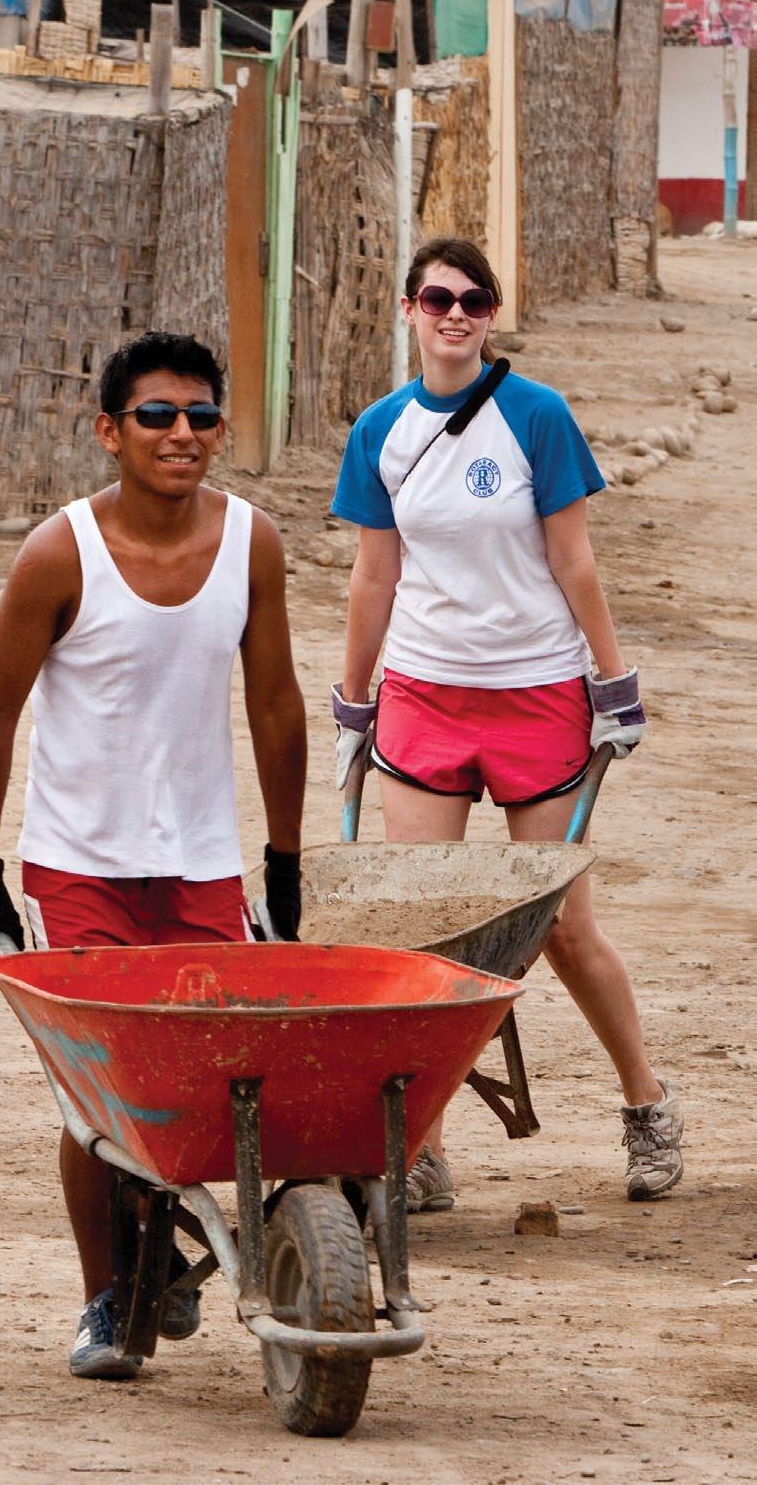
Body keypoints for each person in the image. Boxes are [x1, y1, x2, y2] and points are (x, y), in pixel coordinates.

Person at [0, 330, 307, 1377]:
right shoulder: (59, 552)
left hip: (199, 859)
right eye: (156, 414)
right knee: (101, 1089)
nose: (183, 434)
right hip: (80, 862)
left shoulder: (252, 542)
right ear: (109, 430)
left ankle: (166, 1239)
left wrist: (282, 859)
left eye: (202, 415)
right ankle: (107, 1295)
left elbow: (278, 705)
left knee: (214, 1074)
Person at [329, 237, 683, 1212]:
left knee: (562, 925)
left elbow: (574, 561)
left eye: (473, 299)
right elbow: (373, 575)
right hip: (424, 695)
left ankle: (645, 1102)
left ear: (490, 313)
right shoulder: (381, 432)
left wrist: (614, 685)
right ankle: (423, 1149)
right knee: (424, 932)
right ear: (408, 308)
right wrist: (354, 704)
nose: (455, 312)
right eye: (437, 297)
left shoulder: (537, 416)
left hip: (535, 693)